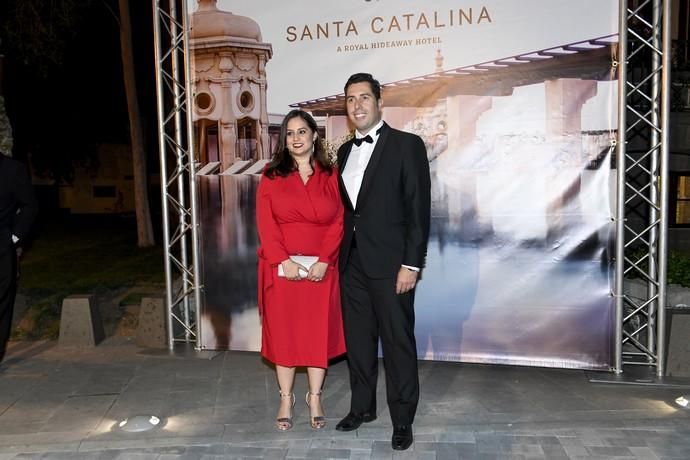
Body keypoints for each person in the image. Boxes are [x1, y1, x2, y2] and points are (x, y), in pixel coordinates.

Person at [335, 73, 431, 451]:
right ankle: (362, 408)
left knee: (397, 344)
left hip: (393, 266)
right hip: (353, 263)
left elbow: (418, 210)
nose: (356, 105)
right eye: (350, 99)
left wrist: (412, 263)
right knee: (358, 343)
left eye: (363, 98)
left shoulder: (407, 146)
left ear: (378, 103)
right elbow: (349, 212)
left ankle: (403, 419)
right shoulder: (344, 152)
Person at [256, 109, 346, 431]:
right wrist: (283, 260)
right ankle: (285, 397)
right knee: (285, 334)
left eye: (302, 132)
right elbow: (266, 223)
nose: (296, 138)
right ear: (284, 140)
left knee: (316, 332)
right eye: (290, 133)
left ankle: (315, 396)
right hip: (282, 269)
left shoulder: (331, 174)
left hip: (321, 269)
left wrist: (325, 260)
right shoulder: (271, 175)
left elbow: (339, 221)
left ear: (314, 136)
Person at [0, 152, 38, 363]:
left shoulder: (12, 169)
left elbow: (30, 205)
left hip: (1, 249)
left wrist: (13, 237)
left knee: (1, 305)